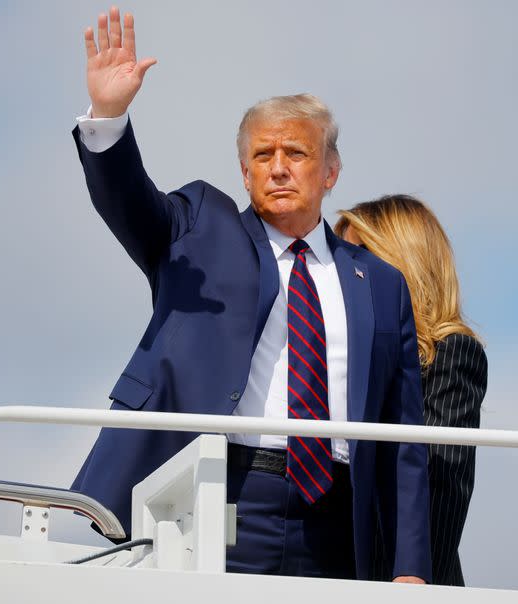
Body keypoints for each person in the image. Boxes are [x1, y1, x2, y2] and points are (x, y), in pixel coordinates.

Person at [70, 7, 430, 583]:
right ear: (244, 172)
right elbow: (128, 201)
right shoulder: (200, 229)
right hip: (218, 490)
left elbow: (405, 439)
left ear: (331, 171)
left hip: (336, 516)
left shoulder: (381, 283)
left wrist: (411, 565)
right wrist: (109, 117)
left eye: (297, 154)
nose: (279, 168)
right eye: (263, 156)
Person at [335, 195, 487, 586]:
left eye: (361, 252)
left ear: (406, 262)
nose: (346, 267)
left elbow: (441, 490)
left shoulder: (452, 355)